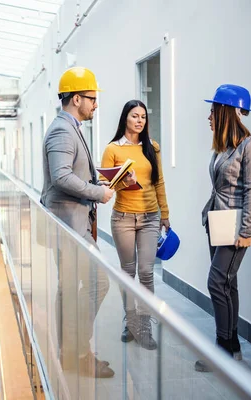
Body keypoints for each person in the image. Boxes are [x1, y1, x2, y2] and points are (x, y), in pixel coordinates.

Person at [41, 66, 115, 378]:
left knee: (69, 289)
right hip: (68, 226)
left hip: (72, 223)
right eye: (91, 98)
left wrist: (100, 177)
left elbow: (71, 169)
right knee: (98, 282)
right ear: (75, 99)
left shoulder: (69, 127)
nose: (95, 104)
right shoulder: (61, 130)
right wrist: (97, 192)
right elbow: (60, 177)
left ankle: (70, 353)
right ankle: (78, 352)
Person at [195, 84, 251, 372]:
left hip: (235, 226)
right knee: (227, 283)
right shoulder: (223, 148)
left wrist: (247, 231)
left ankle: (222, 350)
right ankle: (232, 346)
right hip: (217, 222)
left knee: (216, 282)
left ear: (225, 112)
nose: (209, 117)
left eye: (212, 111)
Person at [100, 100, 170, 350]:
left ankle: (144, 326)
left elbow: (159, 182)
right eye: (134, 116)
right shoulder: (113, 149)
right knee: (128, 273)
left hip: (150, 217)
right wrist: (122, 181)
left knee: (147, 272)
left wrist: (165, 213)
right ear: (125, 119)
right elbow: (103, 185)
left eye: (143, 116)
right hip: (123, 218)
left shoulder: (152, 147)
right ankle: (130, 322)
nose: (140, 121)